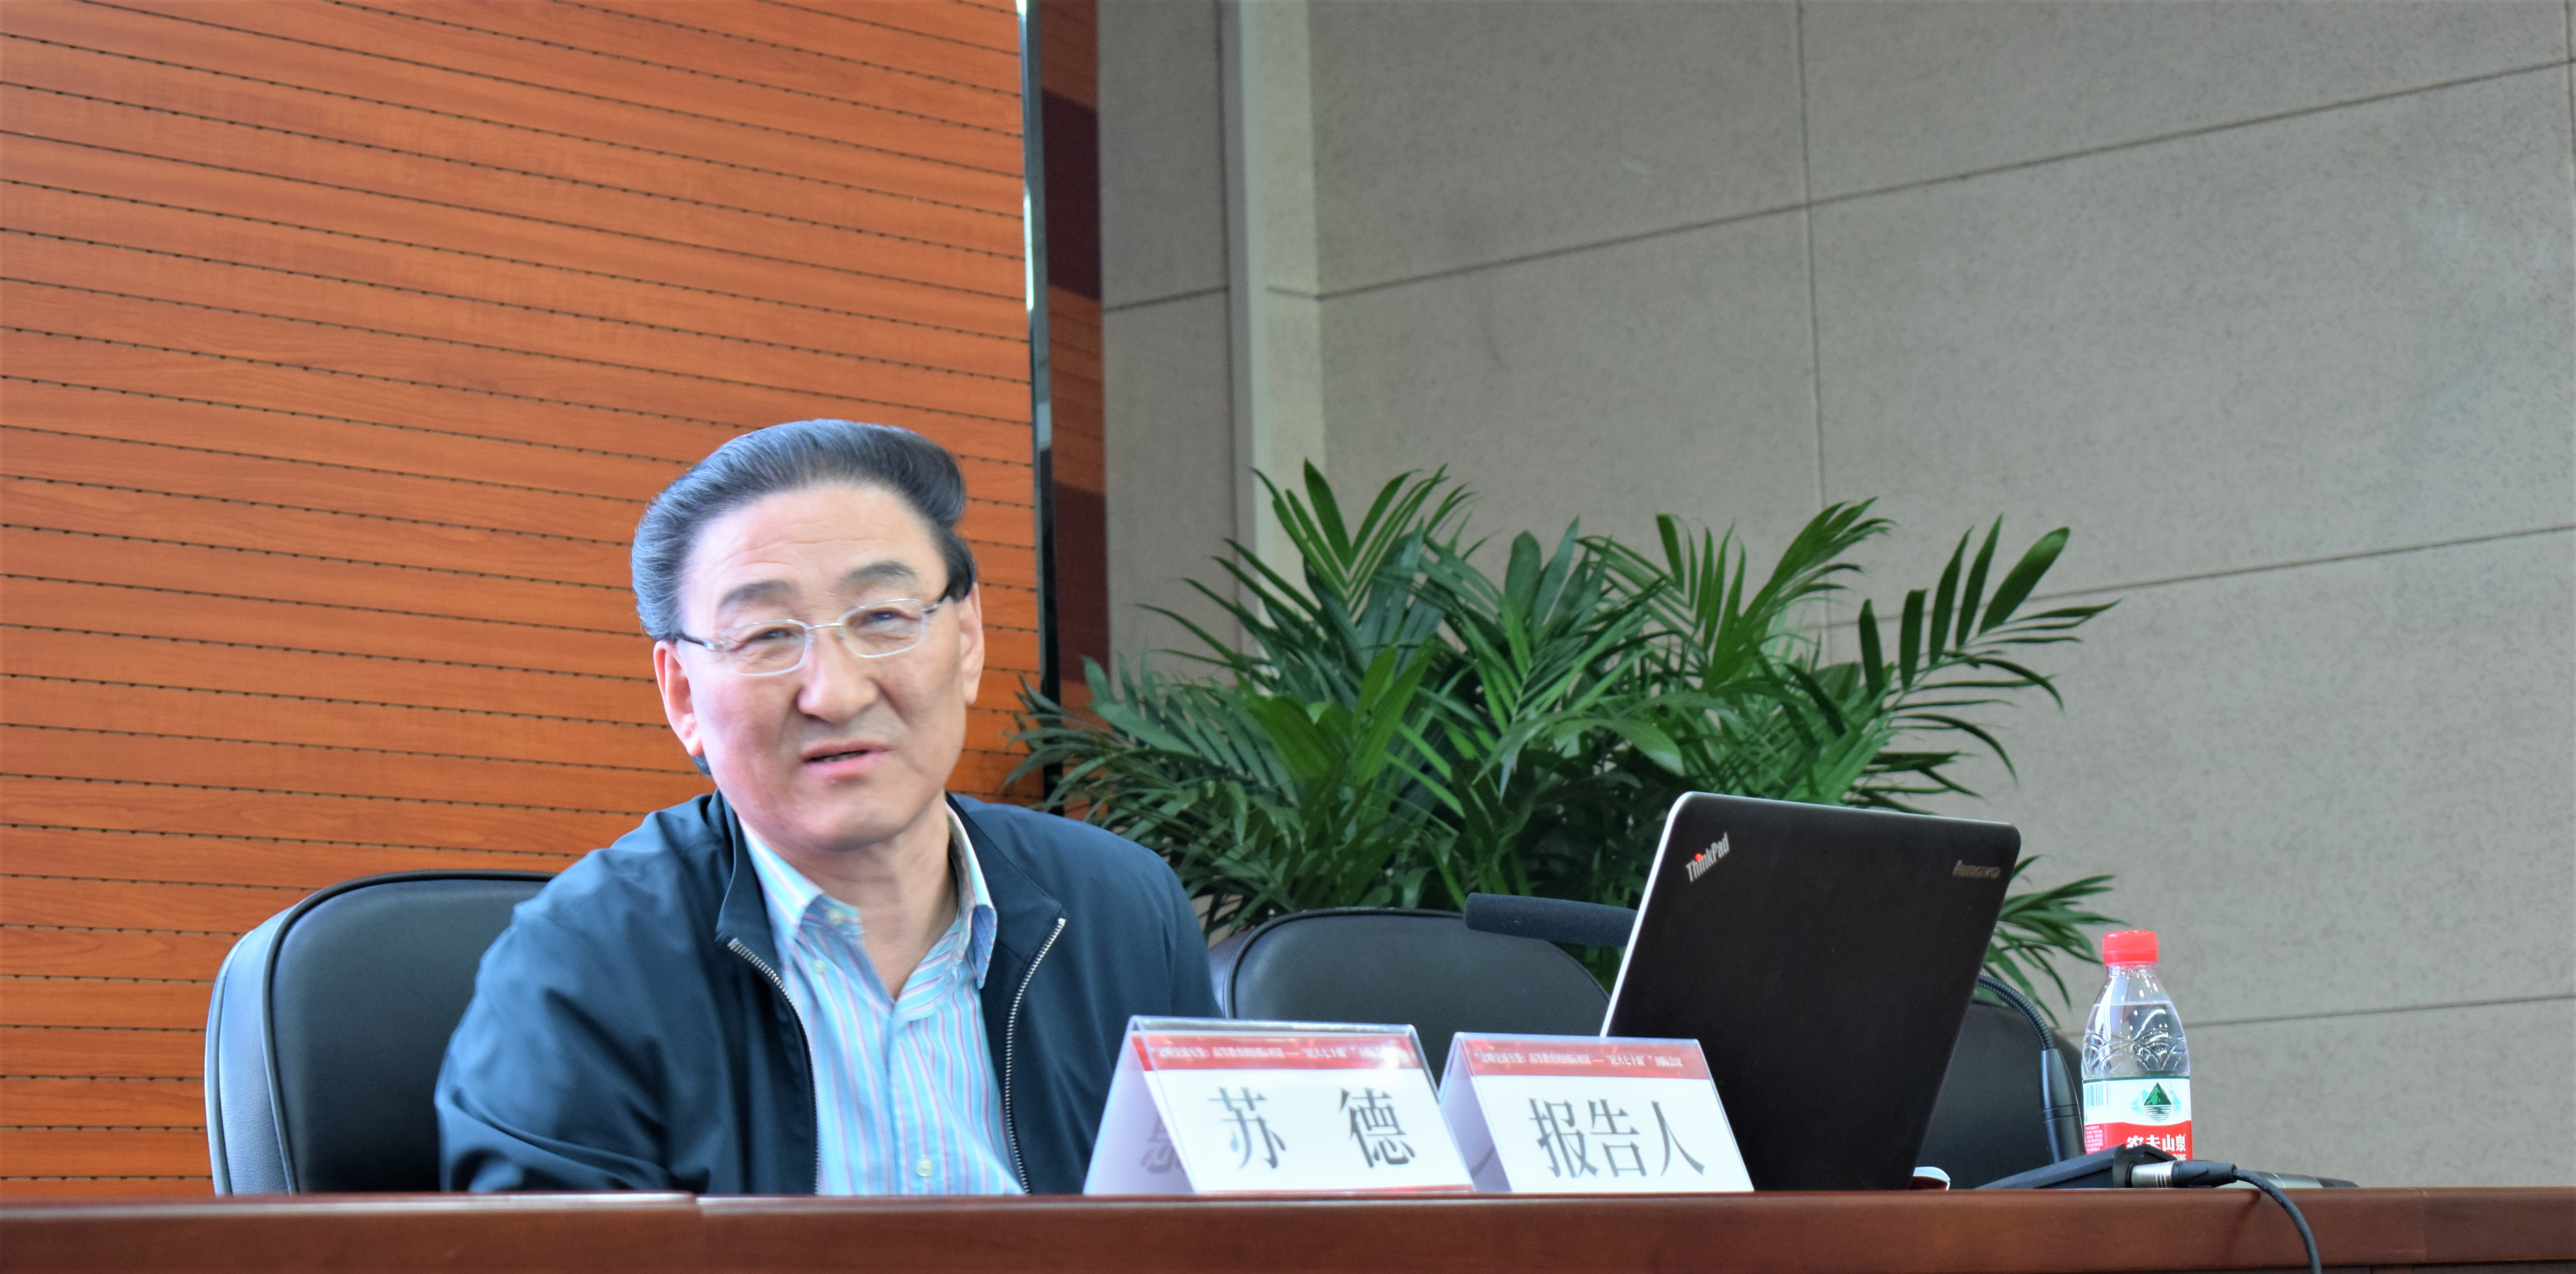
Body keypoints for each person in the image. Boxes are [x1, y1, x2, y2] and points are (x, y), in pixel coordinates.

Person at [437, 419, 1220, 1194]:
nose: (836, 694)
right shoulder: (580, 967)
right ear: (682, 696)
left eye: (883, 618)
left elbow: (1216, 1231)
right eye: (767, 636)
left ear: (967, 638)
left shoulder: (1124, 910)